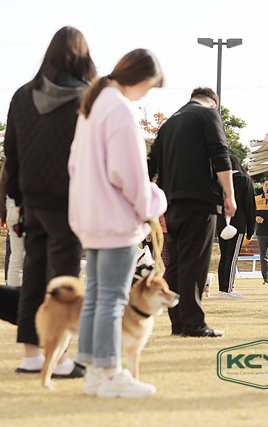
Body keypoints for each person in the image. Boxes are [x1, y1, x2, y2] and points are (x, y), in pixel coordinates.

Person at [68, 48, 167, 398]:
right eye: (150, 87)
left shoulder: (93, 106)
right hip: (115, 219)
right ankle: (110, 373)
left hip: (91, 218)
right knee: (111, 299)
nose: (146, 95)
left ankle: (96, 372)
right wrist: (155, 202)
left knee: (97, 297)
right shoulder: (120, 109)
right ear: (140, 79)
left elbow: (75, 166)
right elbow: (130, 175)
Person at [3, 26, 96, 377]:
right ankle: (58, 360)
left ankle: (31, 356)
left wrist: (17, 199)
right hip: (70, 201)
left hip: (32, 201)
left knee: (33, 276)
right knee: (63, 279)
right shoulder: (86, 97)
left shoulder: (22, 96)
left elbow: (11, 153)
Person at [147, 87, 236, 338]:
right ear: (214, 103)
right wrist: (229, 194)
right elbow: (220, 154)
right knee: (194, 263)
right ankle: (194, 324)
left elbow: (151, 164)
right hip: (200, 200)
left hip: (170, 202)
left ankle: (178, 322)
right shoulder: (208, 114)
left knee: (175, 263)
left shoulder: (168, 124)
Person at [217, 155, 255, 299]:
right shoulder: (244, 180)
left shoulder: (219, 181)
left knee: (224, 256)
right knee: (232, 257)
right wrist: (250, 229)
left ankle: (222, 289)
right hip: (237, 223)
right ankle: (228, 289)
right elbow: (250, 206)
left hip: (221, 223)